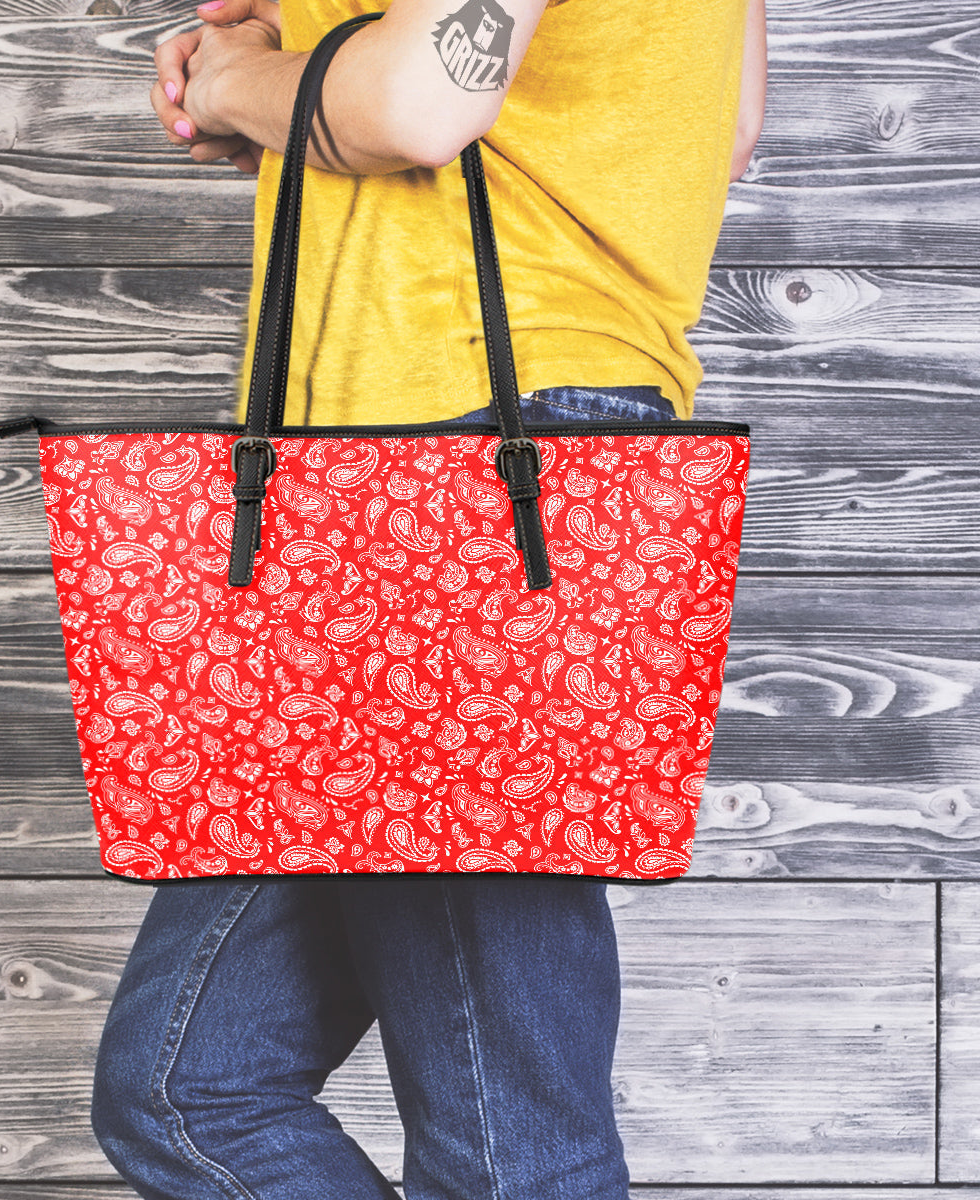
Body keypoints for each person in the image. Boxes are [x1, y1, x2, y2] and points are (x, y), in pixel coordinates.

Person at [89, 0, 767, 1197]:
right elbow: (719, 128)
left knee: (511, 1151)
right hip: (405, 484)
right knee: (185, 1088)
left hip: (460, 469)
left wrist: (235, 78)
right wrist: (303, 86)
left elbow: (418, 103)